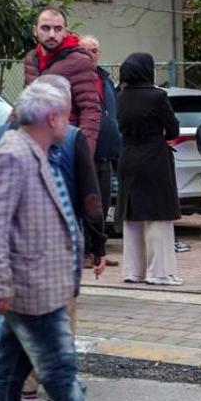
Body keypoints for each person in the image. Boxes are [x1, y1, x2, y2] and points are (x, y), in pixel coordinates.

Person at [0, 79, 126, 401]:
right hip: (29, 284)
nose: (70, 120)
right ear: (53, 117)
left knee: (10, 365)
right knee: (58, 363)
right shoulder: (14, 153)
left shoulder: (35, 150)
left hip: (35, 282)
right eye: (66, 112)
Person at [0, 74, 108, 398]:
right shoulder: (74, 137)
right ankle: (57, 383)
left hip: (17, 247)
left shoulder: (4, 134)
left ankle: (19, 382)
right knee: (61, 316)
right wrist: (98, 245)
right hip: (58, 245)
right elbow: (91, 199)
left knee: (19, 318)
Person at [115, 53, 183, 286]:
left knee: (131, 215)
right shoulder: (157, 96)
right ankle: (159, 272)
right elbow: (172, 129)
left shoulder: (120, 97)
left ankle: (133, 271)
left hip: (128, 156)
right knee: (158, 216)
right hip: (154, 157)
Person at [24, 7, 100, 155]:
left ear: (65, 31)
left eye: (58, 29)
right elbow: (26, 103)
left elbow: (90, 111)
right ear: (35, 30)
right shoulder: (31, 58)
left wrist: (83, 156)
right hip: (35, 146)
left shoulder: (79, 61)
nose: (52, 34)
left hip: (63, 149)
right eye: (45, 28)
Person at [78, 35, 121, 268]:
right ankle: (84, 251)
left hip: (106, 152)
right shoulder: (74, 80)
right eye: (85, 51)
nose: (91, 55)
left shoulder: (105, 80)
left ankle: (97, 251)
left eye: (94, 50)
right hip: (85, 152)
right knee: (87, 204)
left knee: (103, 205)